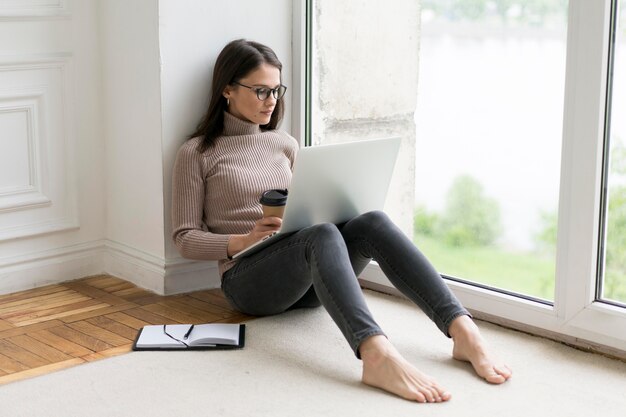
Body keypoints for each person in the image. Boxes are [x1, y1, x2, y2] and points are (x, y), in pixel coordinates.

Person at [172, 39, 512, 403]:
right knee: (319, 235)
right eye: (260, 91)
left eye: (275, 89)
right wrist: (241, 240)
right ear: (227, 89)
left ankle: (462, 330)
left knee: (372, 223)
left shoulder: (283, 144)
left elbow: (310, 206)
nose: (271, 100)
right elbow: (184, 237)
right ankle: (375, 354)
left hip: (310, 278)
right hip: (247, 282)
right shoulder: (197, 153)